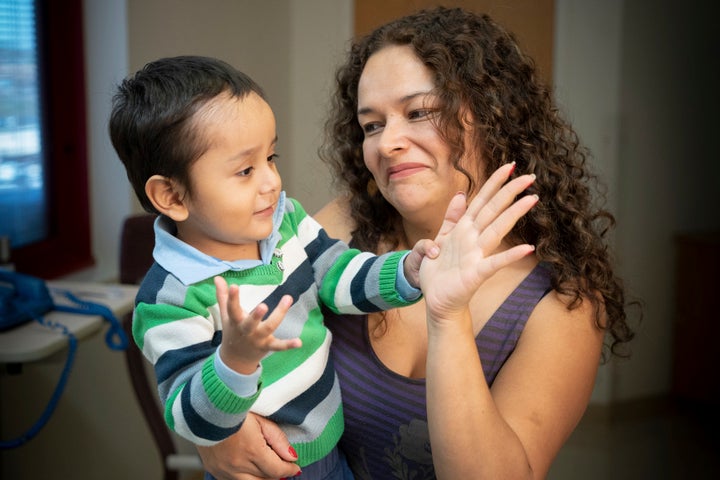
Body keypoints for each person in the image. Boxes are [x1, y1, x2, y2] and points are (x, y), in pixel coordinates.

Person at [196, 6, 636, 480]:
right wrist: (216, 436)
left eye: (419, 112)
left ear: (493, 115)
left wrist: (448, 317)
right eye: (372, 125)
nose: (387, 144)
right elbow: (196, 312)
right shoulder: (342, 226)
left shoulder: (562, 305)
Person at [109, 54, 538, 479]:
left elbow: (339, 275)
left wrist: (410, 270)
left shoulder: (286, 222)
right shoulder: (169, 298)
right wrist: (234, 361)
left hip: (329, 456)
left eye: (271, 158)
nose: (272, 182)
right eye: (245, 170)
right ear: (172, 197)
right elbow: (192, 419)